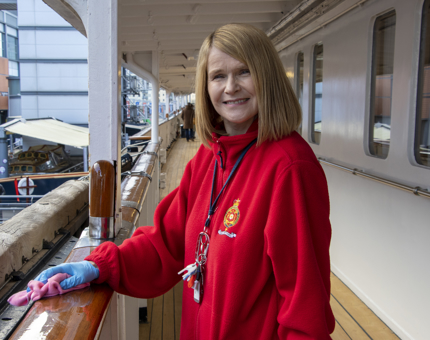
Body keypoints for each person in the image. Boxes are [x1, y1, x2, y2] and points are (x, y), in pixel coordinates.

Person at [32, 23, 335, 339]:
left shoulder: (290, 168)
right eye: (218, 76)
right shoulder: (209, 157)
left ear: (267, 78)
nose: (230, 87)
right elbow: (167, 241)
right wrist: (102, 266)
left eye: (244, 72)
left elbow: (305, 304)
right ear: (205, 87)